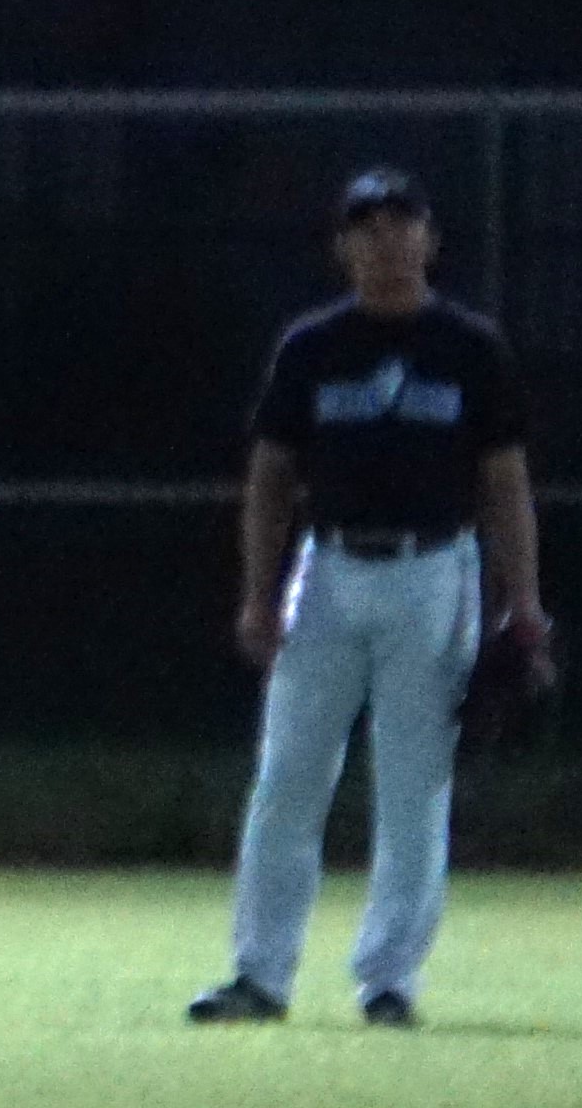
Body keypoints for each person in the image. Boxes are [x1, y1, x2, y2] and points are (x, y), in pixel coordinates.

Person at [189, 167, 550, 1029]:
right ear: (342, 246)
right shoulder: (312, 346)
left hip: (435, 571)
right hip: (330, 569)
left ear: (431, 239)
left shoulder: (470, 347)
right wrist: (257, 594)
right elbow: (271, 477)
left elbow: (505, 482)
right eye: (367, 225)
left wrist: (523, 599)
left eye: (401, 222)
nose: (385, 239)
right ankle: (260, 974)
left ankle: (390, 978)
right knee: (287, 777)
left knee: (414, 783)